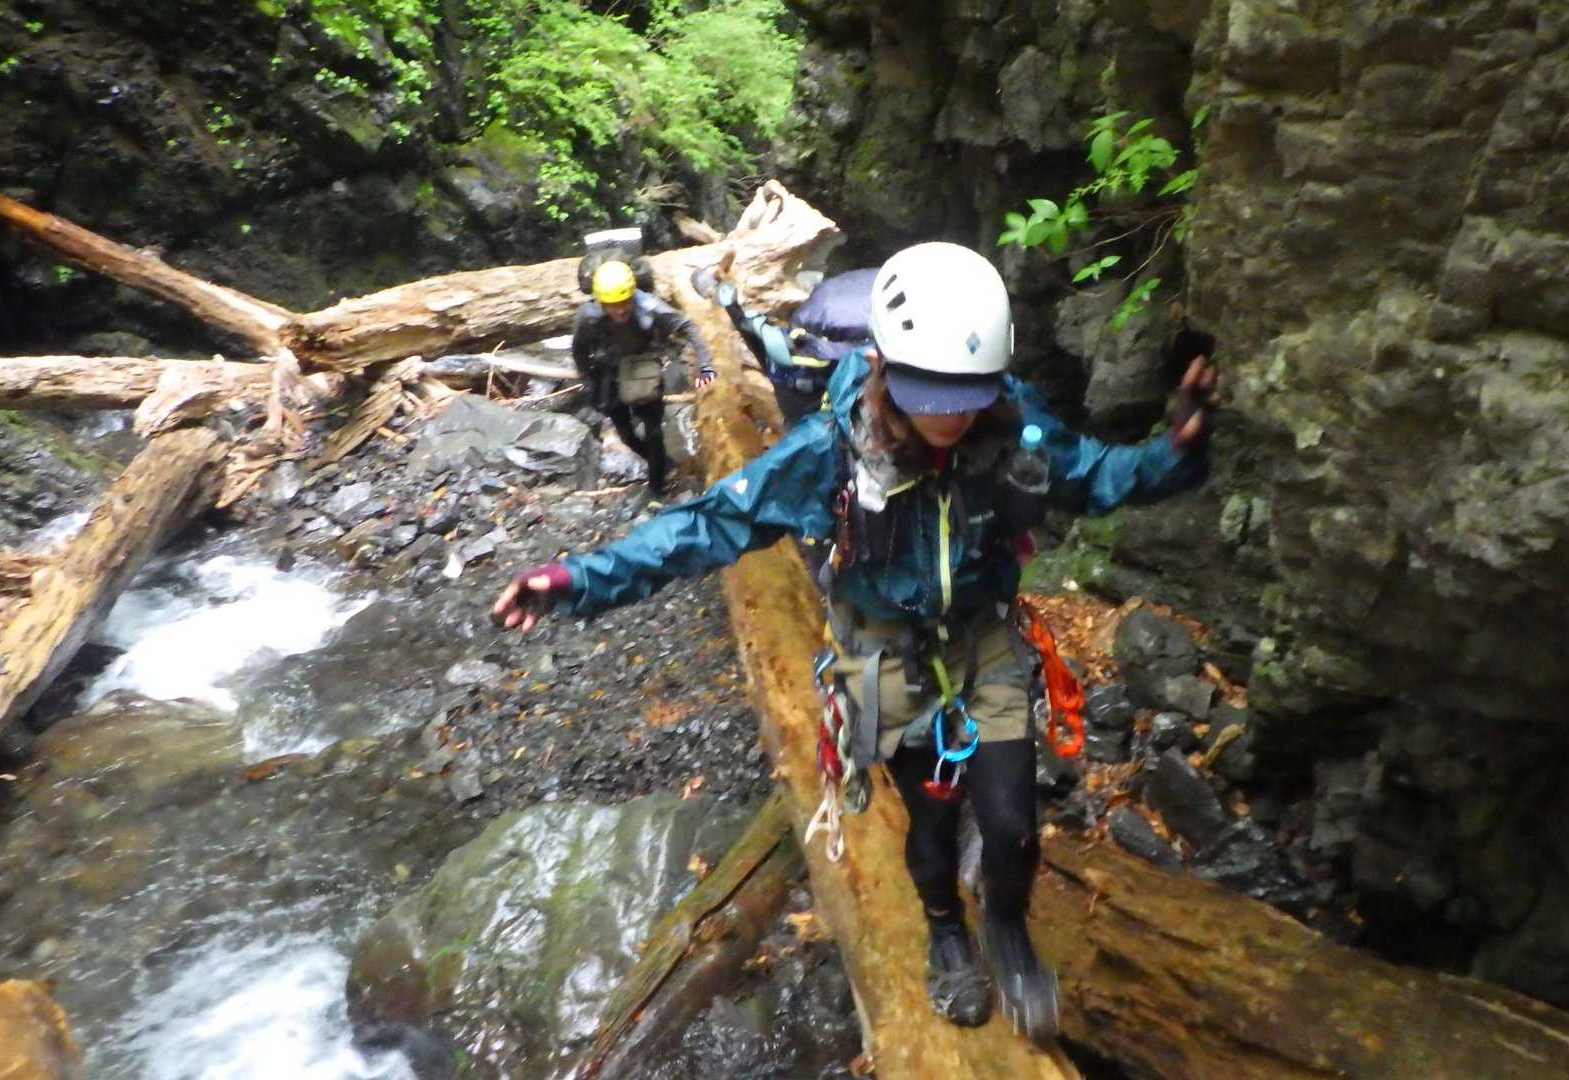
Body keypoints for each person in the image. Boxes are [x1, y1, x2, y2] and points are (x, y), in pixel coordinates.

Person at [495, 242, 1215, 1040]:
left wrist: (1177, 450)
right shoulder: (832, 451)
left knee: (1012, 821)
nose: (951, 417)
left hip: (981, 638)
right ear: (882, 365)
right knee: (931, 816)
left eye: (967, 397)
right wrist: (576, 580)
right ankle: (946, 932)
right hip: (882, 650)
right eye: (931, 395)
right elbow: (709, 524)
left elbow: (1100, 475)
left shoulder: (1014, 426)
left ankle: (1007, 930)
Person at [572, 260, 716, 496]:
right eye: (613, 305)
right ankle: (664, 463)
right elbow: (579, 350)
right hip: (607, 374)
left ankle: (656, 487)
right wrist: (588, 381)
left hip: (642, 369)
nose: (620, 310)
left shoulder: (649, 307)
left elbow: (688, 327)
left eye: (624, 303)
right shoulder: (587, 317)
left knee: (653, 431)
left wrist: (706, 364)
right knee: (627, 435)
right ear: (601, 302)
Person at [691, 265, 878, 427]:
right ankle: (725, 301)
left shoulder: (840, 350)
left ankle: (727, 302)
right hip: (811, 349)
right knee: (766, 346)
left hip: (814, 391)